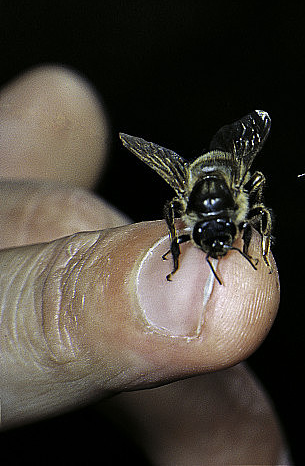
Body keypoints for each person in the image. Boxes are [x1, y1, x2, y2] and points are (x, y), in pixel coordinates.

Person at [0, 65, 289, 464]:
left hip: (222, 168)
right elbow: (175, 209)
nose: (220, 246)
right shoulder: (184, 201)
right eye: (207, 237)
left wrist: (263, 245)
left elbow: (255, 188)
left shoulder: (240, 194)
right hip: (199, 179)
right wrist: (174, 247)